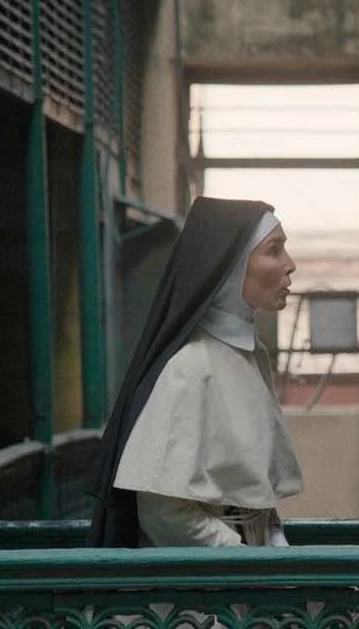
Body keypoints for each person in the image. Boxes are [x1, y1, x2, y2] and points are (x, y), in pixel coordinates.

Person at [88, 196, 303, 547]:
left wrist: (273, 540)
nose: (289, 265)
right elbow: (163, 514)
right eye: (274, 250)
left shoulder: (253, 356)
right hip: (211, 576)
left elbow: (250, 489)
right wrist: (243, 554)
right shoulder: (190, 366)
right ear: (232, 265)